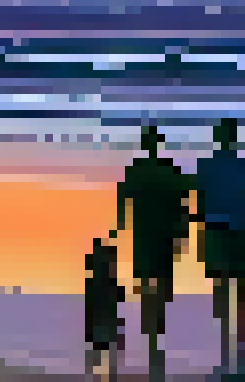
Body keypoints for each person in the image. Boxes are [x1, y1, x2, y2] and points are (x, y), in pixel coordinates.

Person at [193, 117, 245, 378]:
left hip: (216, 232)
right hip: (234, 233)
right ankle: (235, 344)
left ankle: (228, 343)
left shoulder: (207, 166)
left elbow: (197, 202)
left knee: (222, 286)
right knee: (236, 287)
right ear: (233, 138)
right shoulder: (241, 167)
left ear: (218, 138)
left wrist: (198, 232)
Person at [114, 123, 189, 382]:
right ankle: (156, 325)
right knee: (161, 283)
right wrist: (182, 233)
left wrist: (120, 228)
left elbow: (123, 202)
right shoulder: (170, 170)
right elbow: (184, 205)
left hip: (144, 236)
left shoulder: (136, 170)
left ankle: (151, 328)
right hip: (163, 236)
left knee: (147, 282)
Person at [83, 237, 126, 380]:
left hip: (101, 318)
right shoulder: (106, 278)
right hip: (103, 318)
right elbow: (119, 295)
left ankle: (99, 374)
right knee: (105, 351)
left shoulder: (95, 279)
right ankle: (103, 374)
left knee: (101, 351)